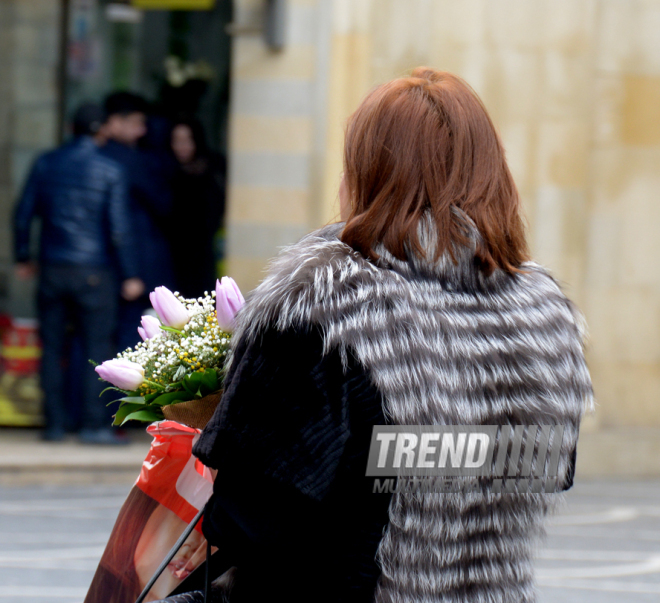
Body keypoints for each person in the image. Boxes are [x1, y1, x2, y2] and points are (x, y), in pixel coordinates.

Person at [162, 68, 594, 602]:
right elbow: (544, 465)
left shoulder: (322, 307)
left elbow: (251, 519)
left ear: (367, 173)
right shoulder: (545, 316)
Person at [13, 103, 144, 444]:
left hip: (53, 269)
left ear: (72, 127)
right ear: (102, 130)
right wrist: (130, 273)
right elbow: (119, 229)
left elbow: (23, 214)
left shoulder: (46, 163)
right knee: (97, 347)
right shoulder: (110, 169)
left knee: (52, 346)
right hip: (95, 271)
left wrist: (23, 256)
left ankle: (54, 425)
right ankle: (93, 426)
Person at [100, 92, 176, 352]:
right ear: (114, 122)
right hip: (138, 262)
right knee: (131, 339)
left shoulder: (98, 157)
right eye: (136, 123)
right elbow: (163, 204)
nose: (142, 131)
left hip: (98, 266)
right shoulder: (132, 161)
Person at [168, 117, 226, 299]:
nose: (181, 146)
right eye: (176, 141)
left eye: (187, 140)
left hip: (206, 250)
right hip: (176, 254)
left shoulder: (213, 167)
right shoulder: (166, 171)